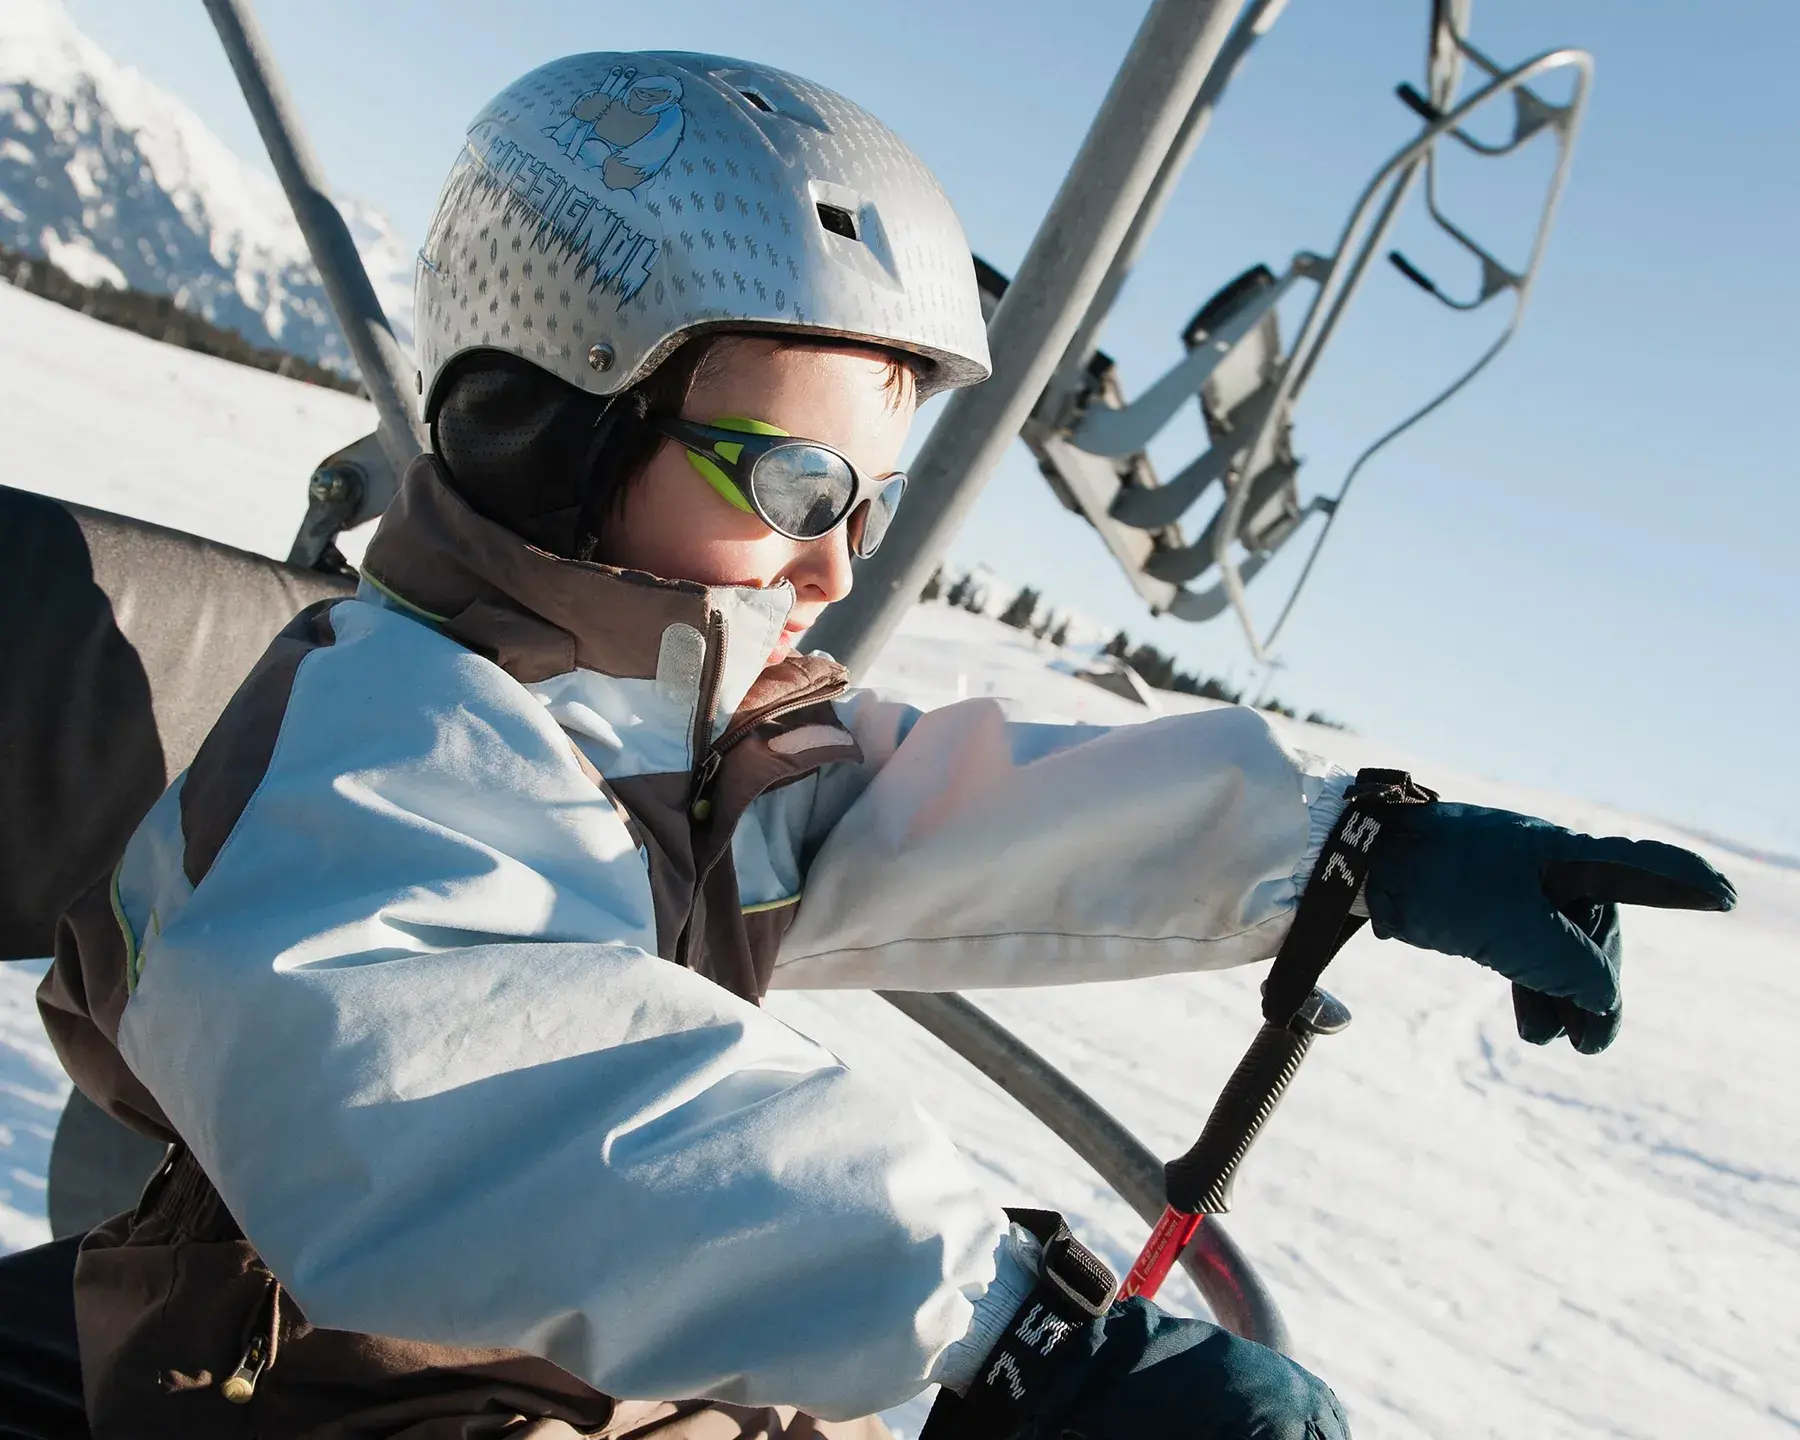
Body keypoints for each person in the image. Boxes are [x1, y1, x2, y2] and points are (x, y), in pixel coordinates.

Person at [22, 50, 1734, 1440]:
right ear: (543, 422)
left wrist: (1341, 850)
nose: (838, 564)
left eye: (872, 501)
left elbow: (935, 809)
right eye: (792, 487)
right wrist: (1008, 1332)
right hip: (331, 1393)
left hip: (590, 1374)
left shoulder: (678, 726)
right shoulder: (363, 743)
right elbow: (501, 1106)